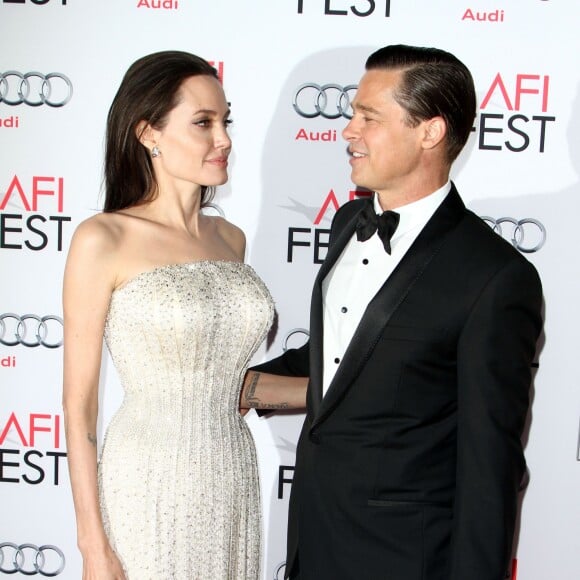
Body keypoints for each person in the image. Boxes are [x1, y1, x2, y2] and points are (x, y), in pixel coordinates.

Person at [243, 44, 543, 580]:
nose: (348, 131)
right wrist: (237, 382)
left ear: (429, 132)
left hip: (403, 559)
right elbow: (344, 352)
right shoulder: (347, 221)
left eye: (369, 117)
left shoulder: (494, 278)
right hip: (312, 541)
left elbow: (489, 469)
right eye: (352, 113)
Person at [62, 50, 305, 580]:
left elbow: (228, 382)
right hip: (147, 478)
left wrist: (342, 389)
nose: (224, 139)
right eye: (203, 123)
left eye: (225, 121)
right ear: (148, 133)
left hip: (231, 473)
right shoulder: (104, 238)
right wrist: (92, 546)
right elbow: (79, 406)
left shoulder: (230, 239)